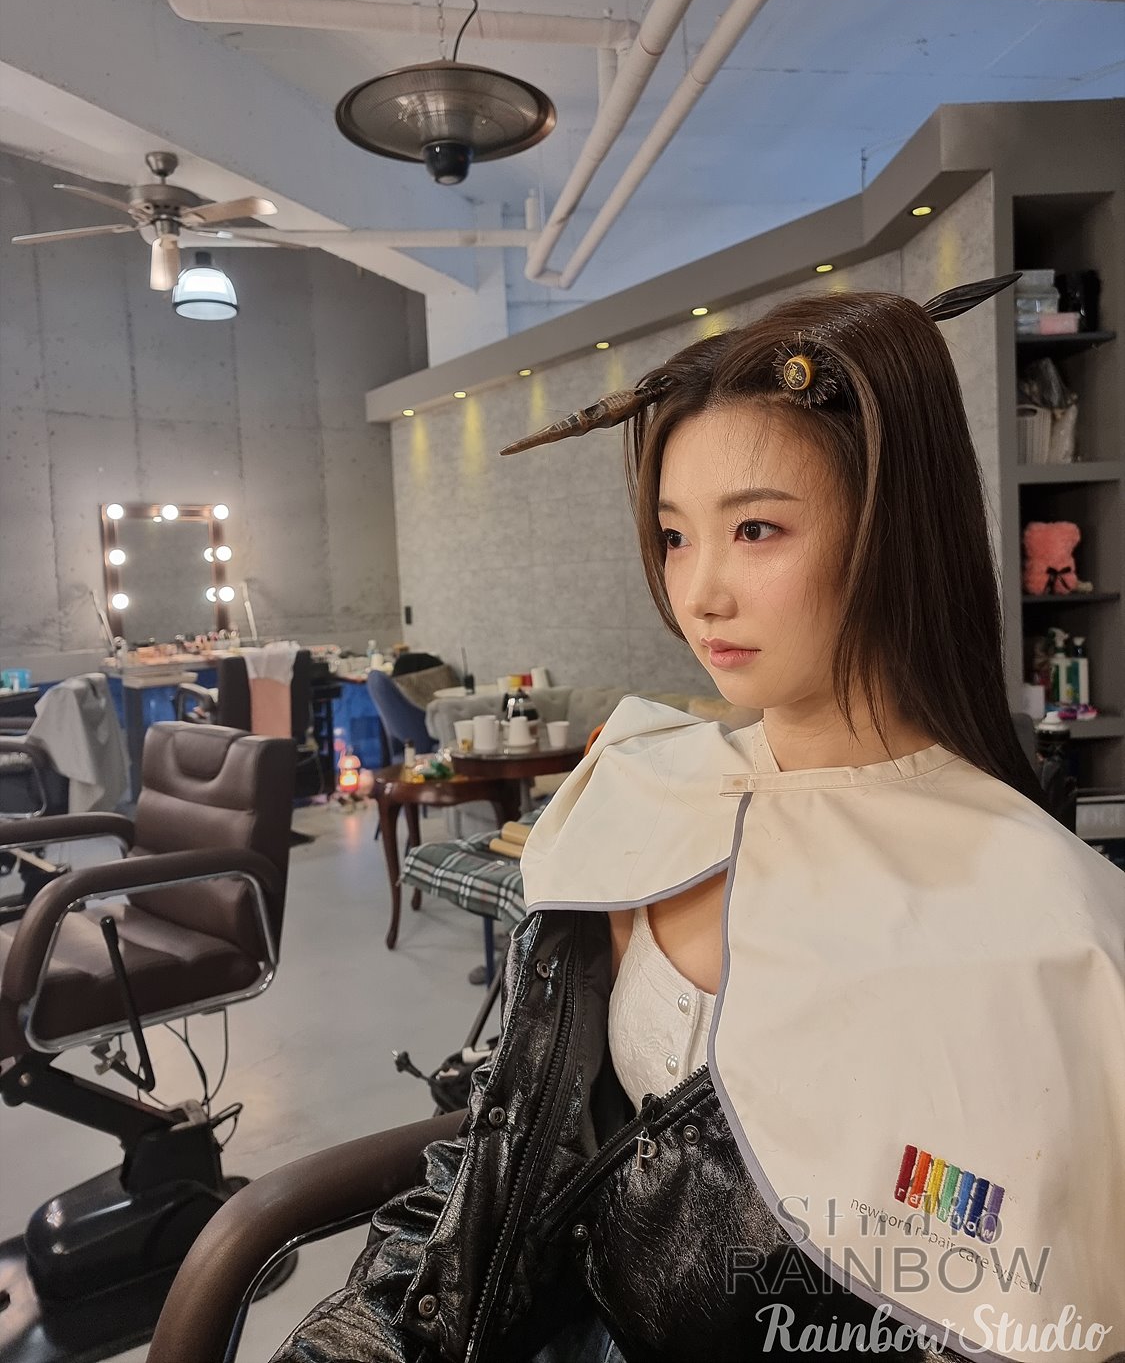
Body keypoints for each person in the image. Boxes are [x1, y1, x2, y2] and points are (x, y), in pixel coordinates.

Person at [273, 279, 1125, 1363]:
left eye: (756, 529)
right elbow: (511, 1150)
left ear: (893, 530)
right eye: (675, 535)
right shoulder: (644, 788)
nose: (700, 593)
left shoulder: (1044, 926)